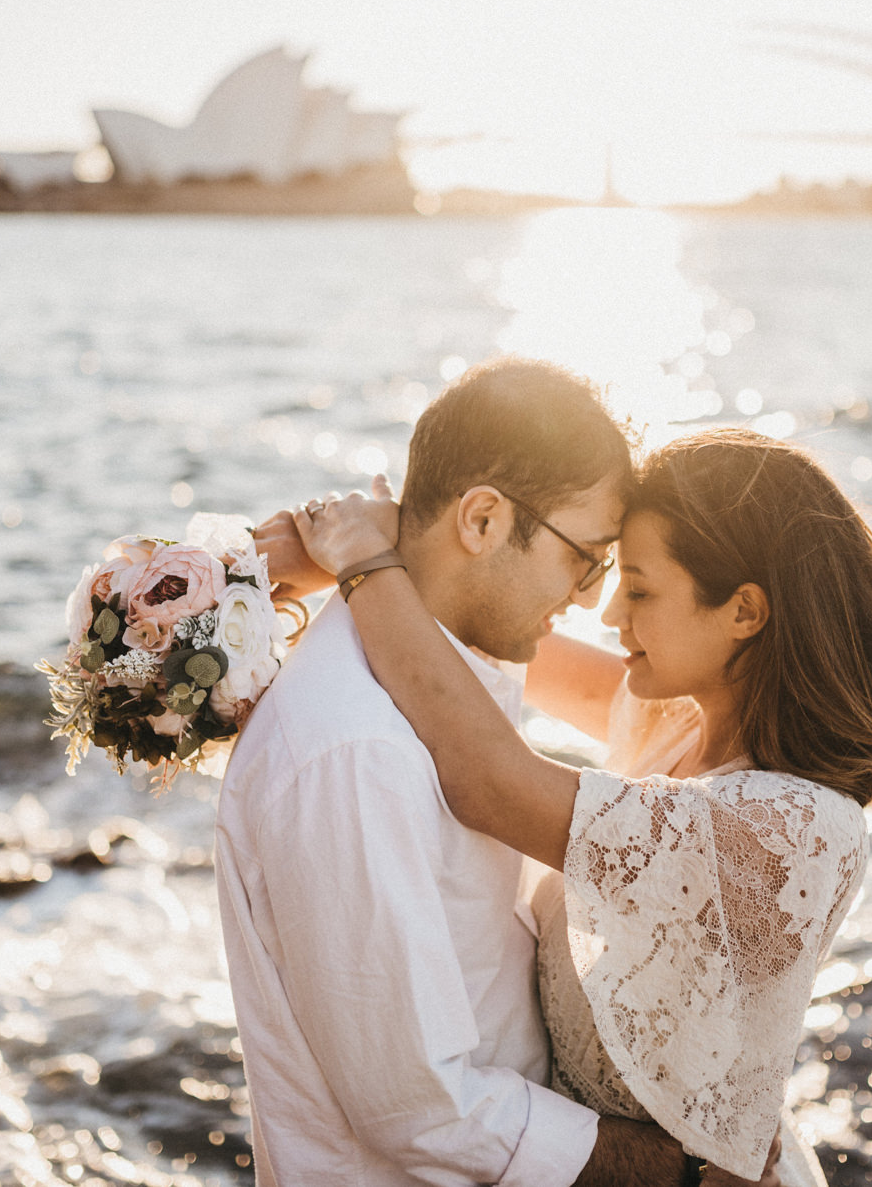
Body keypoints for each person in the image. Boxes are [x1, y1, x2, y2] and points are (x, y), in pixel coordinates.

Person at [291, 425, 872, 1187]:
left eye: (638, 589)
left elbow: (487, 780)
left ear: (744, 612)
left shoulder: (789, 829)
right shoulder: (676, 721)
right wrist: (417, 544)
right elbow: (498, 628)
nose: (609, 614)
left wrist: (367, 565)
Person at [217, 358, 770, 1187]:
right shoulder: (355, 752)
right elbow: (427, 1109)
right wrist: (684, 1177)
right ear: (481, 519)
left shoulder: (445, 667)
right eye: (585, 558)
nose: (590, 599)